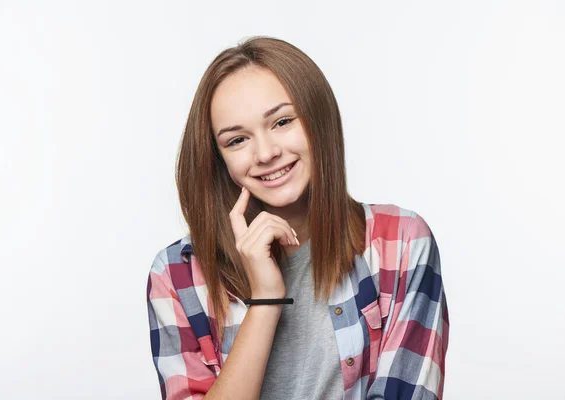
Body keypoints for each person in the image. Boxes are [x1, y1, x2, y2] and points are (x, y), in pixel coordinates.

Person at [146, 36, 449, 400]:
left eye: (282, 121)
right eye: (237, 140)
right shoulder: (176, 276)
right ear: (219, 160)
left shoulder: (400, 243)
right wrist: (265, 298)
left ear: (318, 119)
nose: (266, 152)